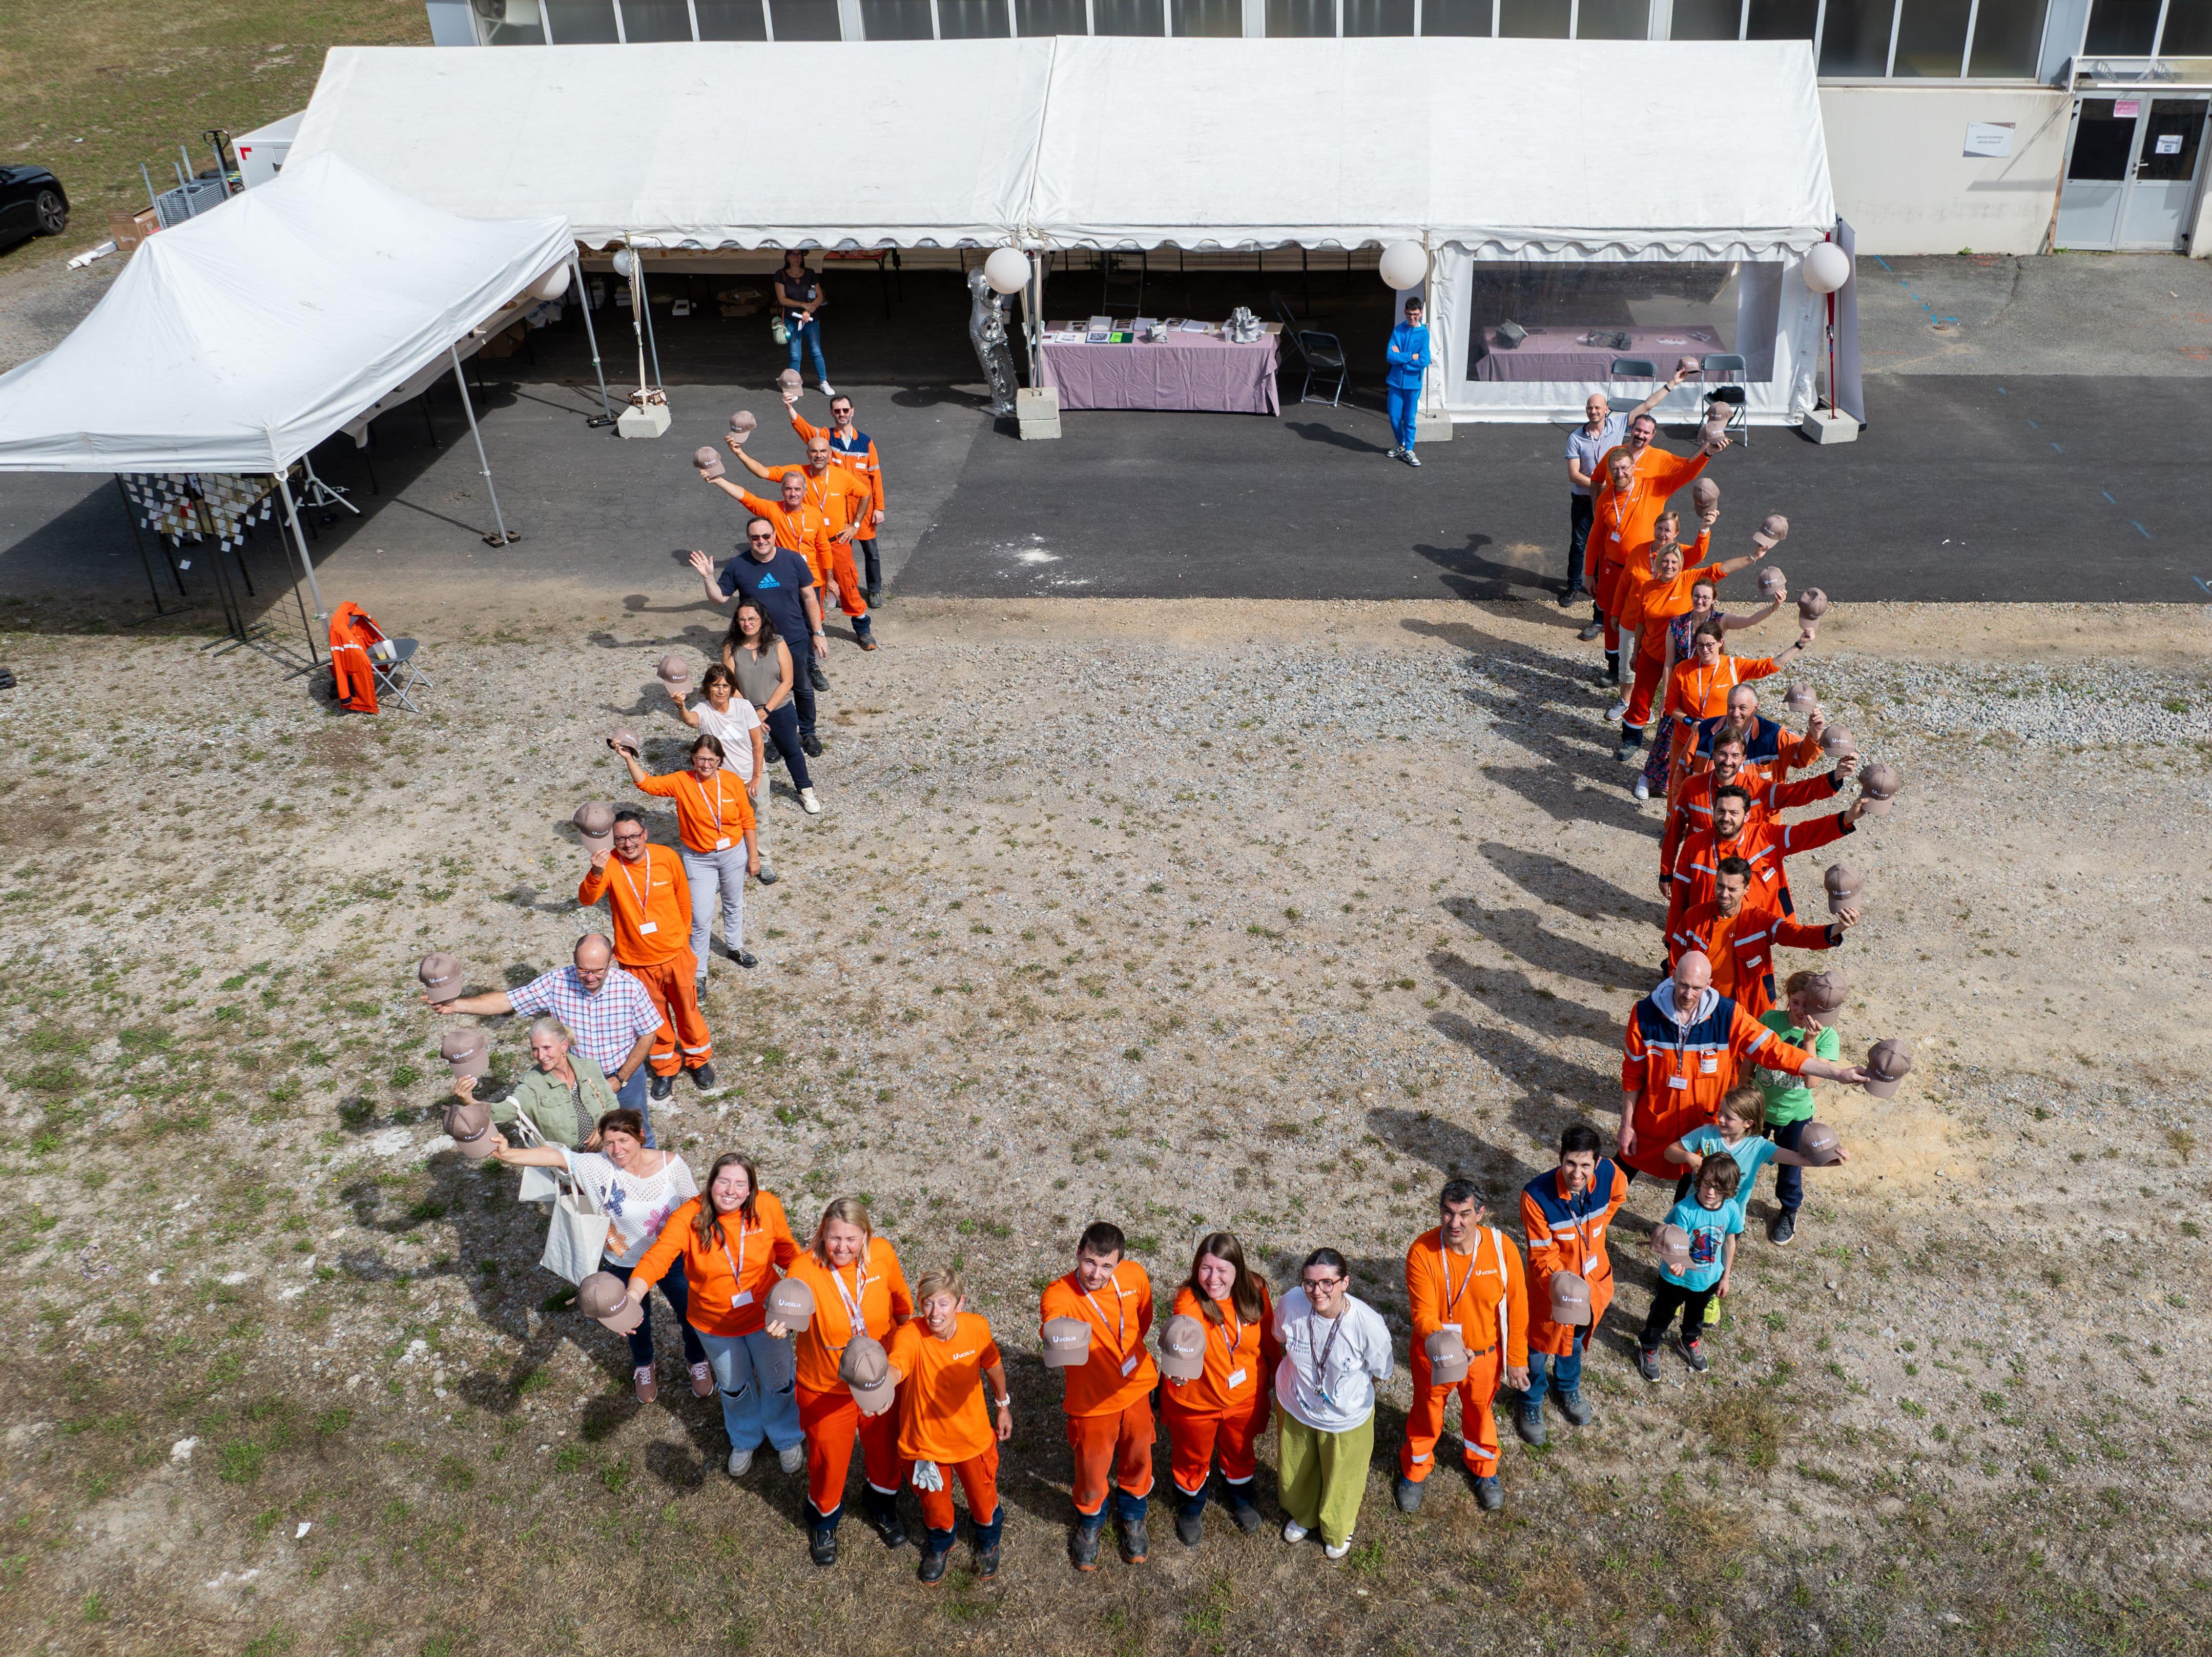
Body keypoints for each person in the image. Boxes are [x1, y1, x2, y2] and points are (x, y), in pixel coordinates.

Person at [492, 1108, 701, 1402]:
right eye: (609, 1143)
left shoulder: (672, 1165)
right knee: (634, 1320)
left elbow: (695, 1208)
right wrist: (507, 1154)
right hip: (621, 1261)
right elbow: (556, 1157)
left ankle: (697, 1359)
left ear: (641, 1137)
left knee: (690, 1311)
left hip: (670, 1258)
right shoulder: (598, 1166)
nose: (617, 1150)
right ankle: (644, 1364)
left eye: (623, 1141)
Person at [1618, 951, 1866, 1183]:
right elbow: (1633, 1074)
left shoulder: (1729, 1015)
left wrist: (1839, 1074)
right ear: (1673, 976)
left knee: (1696, 1184)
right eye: (1683, 985)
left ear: (1710, 984)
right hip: (1656, 1119)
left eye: (1697, 988)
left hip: (1706, 1122)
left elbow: (1776, 1051)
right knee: (1623, 1168)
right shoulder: (1644, 1014)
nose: (1688, 995)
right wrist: (1627, 1125)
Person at [628, 1153, 804, 1475]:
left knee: (779, 1382)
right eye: (724, 1181)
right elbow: (658, 1257)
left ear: (751, 1190)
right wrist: (633, 1295)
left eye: (741, 1184)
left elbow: (789, 1253)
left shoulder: (767, 1207)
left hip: (767, 1318)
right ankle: (746, 1437)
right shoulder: (689, 1217)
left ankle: (786, 1435)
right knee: (734, 1386)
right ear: (710, 1184)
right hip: (714, 1325)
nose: (731, 1190)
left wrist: (795, 1297)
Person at [770, 1197, 914, 1565]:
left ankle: (880, 1502)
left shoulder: (882, 1254)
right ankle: (823, 1519)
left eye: (852, 1239)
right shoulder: (804, 1267)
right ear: (822, 1234)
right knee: (828, 1462)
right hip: (826, 1387)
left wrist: (902, 1352)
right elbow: (789, 1304)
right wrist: (783, 1320)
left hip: (877, 1380)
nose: (843, 1247)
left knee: (884, 1451)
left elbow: (901, 1303)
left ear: (866, 1236)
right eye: (835, 1238)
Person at [424, 935, 664, 1140]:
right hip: (575, 1081)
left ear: (612, 961)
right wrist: (457, 1005)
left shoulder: (631, 988)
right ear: (574, 959)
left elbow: (648, 1035)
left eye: (597, 971)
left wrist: (620, 1079)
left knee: (636, 1131)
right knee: (586, 1136)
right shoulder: (555, 983)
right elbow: (508, 1001)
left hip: (623, 1077)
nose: (590, 977)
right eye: (583, 970)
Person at [1395, 1179, 1527, 1515]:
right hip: (1434, 1353)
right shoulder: (1422, 1251)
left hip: (1484, 1356)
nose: (1455, 1223)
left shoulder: (1502, 1249)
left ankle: (1484, 1469)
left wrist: (1516, 1359)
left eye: (1464, 1214)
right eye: (1448, 1213)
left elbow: (1518, 1306)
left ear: (1480, 1213)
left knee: (1480, 1413)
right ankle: (1414, 1470)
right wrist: (1453, 1346)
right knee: (1426, 1412)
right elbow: (1422, 1314)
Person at [1039, 1221, 1158, 1570]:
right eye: (1090, 1261)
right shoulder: (1059, 1294)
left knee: (1139, 1454)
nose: (1096, 1273)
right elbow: (1054, 1331)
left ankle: (1134, 1512)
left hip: (1137, 1386)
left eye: (1107, 1265)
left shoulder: (1134, 1277)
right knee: (1091, 1468)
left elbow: (1144, 1319)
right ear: (1078, 1253)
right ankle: (1091, 1519)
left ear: (1119, 1264)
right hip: (1092, 1402)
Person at [577, 810, 715, 1104]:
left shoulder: (666, 857)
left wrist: (683, 941)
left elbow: (682, 899)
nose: (628, 844)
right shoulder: (610, 864)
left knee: (688, 1011)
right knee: (654, 1021)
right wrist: (597, 872)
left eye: (633, 836)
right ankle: (665, 1066)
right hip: (637, 961)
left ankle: (699, 1060)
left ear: (645, 835)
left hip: (676, 955)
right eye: (620, 839)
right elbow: (587, 899)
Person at [884, 1267, 1011, 1583]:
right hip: (925, 1444)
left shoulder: (977, 1328)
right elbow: (897, 1365)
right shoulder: (910, 1334)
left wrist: (1003, 1405)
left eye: (943, 1303)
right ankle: (941, 1545)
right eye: (927, 1303)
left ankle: (988, 1540)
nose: (935, 1313)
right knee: (935, 1506)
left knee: (983, 1499)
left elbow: (993, 1365)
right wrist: (880, 1383)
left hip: (973, 1439)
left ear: (960, 1303)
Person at [1273, 1247, 1393, 1561]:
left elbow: (1381, 1372)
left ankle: (1337, 1528)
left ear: (1345, 1283)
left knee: (1342, 1477)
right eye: (1310, 1283)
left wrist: (1346, 1394)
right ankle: (1304, 1514)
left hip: (1345, 1418)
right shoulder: (1290, 1304)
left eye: (1327, 1283)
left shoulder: (1368, 1325)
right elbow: (1279, 1338)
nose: (1317, 1291)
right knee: (1297, 1469)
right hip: (1296, 1405)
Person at [1613, 527, 1772, 764]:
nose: (1669, 566)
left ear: (1681, 565)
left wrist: (1753, 558)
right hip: (1650, 652)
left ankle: (1674, 750)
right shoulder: (1648, 587)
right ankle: (1631, 739)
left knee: (1677, 709)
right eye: (1665, 561)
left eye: (1674, 561)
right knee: (1640, 699)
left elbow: (1721, 569)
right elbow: (1640, 621)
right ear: (1658, 563)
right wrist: (1635, 652)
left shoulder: (1689, 581)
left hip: (1679, 659)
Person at [1162, 1232, 1278, 1546]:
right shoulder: (1189, 1299)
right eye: (1205, 1268)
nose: (1213, 1279)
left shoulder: (1256, 1291)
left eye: (1221, 1270)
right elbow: (1182, 1329)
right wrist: (1178, 1361)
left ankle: (1240, 1496)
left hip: (1244, 1397)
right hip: (1196, 1402)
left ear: (1237, 1270)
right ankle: (1190, 1505)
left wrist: (1276, 1374)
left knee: (1240, 1450)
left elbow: (1268, 1340)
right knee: (1192, 1456)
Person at [689, 527, 829, 788]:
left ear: (774, 536)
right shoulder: (738, 565)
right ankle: (771, 738)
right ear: (749, 539)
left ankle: (807, 734)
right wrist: (709, 577)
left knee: (802, 689)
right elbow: (719, 598)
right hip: (756, 642)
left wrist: (818, 633)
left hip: (794, 638)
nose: (761, 541)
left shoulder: (793, 559)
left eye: (766, 536)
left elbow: (810, 596)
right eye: (755, 537)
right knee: (755, 693)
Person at [1516, 1121, 1627, 1447]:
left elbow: (1619, 1194)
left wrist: (1599, 1227)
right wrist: (1566, 1291)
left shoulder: (1609, 1174)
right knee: (1537, 1349)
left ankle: (1567, 1387)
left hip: (1593, 1285)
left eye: (1585, 1166)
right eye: (1570, 1164)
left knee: (1575, 1342)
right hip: (1552, 1293)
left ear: (1597, 1162)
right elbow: (1540, 1258)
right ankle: (1531, 1401)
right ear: (1560, 1156)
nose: (1577, 1174)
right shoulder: (1536, 1196)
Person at [615, 732, 761, 979]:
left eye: (712, 760)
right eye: (700, 759)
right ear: (693, 758)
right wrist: (629, 758)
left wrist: (754, 857)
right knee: (701, 917)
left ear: (720, 761)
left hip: (733, 853)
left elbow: (747, 819)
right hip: (699, 859)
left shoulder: (733, 782)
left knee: (734, 903)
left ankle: (735, 947)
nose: (706, 765)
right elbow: (648, 785)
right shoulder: (681, 781)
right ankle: (699, 972)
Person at [727, 416, 874, 649]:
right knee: (813, 593)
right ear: (808, 454)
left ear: (830, 454)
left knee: (847, 587)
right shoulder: (797, 474)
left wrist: (855, 525)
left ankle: (862, 628)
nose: (819, 455)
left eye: (823, 451)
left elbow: (865, 493)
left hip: (836, 543)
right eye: (814, 451)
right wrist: (739, 453)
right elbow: (763, 472)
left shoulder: (842, 476)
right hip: (806, 546)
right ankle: (816, 635)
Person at [701, 465, 868, 659]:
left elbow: (823, 549)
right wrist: (719, 480)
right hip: (785, 579)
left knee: (812, 622)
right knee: (783, 622)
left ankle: (811, 665)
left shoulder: (814, 515)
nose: (793, 493)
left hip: (811, 578)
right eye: (788, 489)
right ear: (782, 491)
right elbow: (745, 496)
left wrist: (830, 579)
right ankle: (773, 661)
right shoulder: (772, 510)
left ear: (805, 491)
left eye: (797, 489)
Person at [1666, 784, 1869, 937]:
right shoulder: (1694, 845)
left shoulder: (1767, 837)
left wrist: (1848, 817)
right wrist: (1672, 940)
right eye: (1721, 811)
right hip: (1707, 932)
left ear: (1747, 816)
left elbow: (1805, 834)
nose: (1725, 818)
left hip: (1754, 935)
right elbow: (1680, 898)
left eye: (1734, 813)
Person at [1666, 856, 1856, 1019]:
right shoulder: (1693, 918)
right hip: (1701, 1007)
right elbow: (1676, 960)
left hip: (1747, 1011)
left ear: (1746, 889)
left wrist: (1838, 928)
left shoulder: (1759, 920)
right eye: (1720, 886)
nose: (1724, 894)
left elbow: (1797, 935)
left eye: (1732, 889)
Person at [1564, 376, 1689, 618]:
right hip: (1594, 506)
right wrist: (1598, 504)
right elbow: (1584, 477)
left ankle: (1630, 619)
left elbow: (1647, 405)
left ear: (1606, 410)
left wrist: (1672, 383)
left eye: (1598, 407)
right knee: (1586, 549)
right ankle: (1578, 592)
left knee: (1627, 568)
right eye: (1590, 407)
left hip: (1628, 519)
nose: (1593, 411)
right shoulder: (1585, 441)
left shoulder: (1619, 426)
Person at [1752, 970, 1847, 1245]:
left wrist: (1809, 1040)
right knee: (1742, 1157)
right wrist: (1742, 1084)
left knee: (1791, 1169)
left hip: (1795, 1115)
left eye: (1808, 1006)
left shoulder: (1827, 1037)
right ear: (1787, 998)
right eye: (1796, 1003)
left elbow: (1812, 1082)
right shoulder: (1770, 1021)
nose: (1801, 1011)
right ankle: (1730, 1198)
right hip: (1758, 1106)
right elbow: (1751, 1056)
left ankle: (1789, 1210)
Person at [1637, 1156, 1743, 1379]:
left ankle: (1689, 1341)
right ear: (1699, 1179)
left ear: (1730, 1190)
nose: (1711, 1192)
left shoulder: (1732, 1209)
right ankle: (1649, 1347)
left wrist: (1726, 1277)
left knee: (1696, 1316)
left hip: (1707, 1279)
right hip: (1675, 1280)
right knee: (1661, 1315)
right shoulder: (1685, 1210)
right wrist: (1673, 1261)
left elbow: (1729, 1242)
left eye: (1718, 1188)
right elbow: (1670, 1240)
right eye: (1707, 1184)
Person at [716, 595, 819, 818]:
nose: (747, 623)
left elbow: (788, 681)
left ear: (762, 620)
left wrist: (766, 711)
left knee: (791, 750)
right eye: (742, 619)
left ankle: (805, 790)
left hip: (778, 709)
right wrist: (750, 713)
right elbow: (730, 683)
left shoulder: (777, 643)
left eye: (752, 619)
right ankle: (739, 796)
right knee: (742, 753)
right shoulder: (731, 647)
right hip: (744, 711)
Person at [672, 664, 775, 885]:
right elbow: (691, 720)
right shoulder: (703, 709)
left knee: (759, 818)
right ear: (708, 688)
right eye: (716, 686)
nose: (721, 691)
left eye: (726, 686)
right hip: (721, 782)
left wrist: (757, 777)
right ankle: (729, 863)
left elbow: (758, 744)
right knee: (724, 821)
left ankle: (763, 860)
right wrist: (681, 707)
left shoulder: (744, 707)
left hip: (751, 775)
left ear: (732, 688)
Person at [452, 1015, 617, 1150]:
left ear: (564, 1046)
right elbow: (504, 1111)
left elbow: (612, 1107)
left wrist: (604, 1130)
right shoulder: (532, 1084)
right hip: (567, 1165)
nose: (540, 1056)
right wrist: (470, 1101)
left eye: (547, 1048)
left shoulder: (590, 1068)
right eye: (535, 1049)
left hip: (607, 1150)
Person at [792, 393, 888, 603]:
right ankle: (840, 591)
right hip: (836, 508)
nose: (842, 414)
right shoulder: (827, 437)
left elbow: (876, 475)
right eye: (838, 411)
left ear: (853, 411)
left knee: (871, 551)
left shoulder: (865, 442)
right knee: (838, 554)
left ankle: (874, 590)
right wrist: (790, 408)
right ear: (832, 413)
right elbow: (806, 430)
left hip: (863, 509)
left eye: (846, 410)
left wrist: (879, 508)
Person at [775, 250, 832, 395]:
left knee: (816, 351)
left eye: (799, 254)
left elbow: (820, 297)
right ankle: (794, 386)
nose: (796, 257)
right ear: (787, 257)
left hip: (811, 319)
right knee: (795, 354)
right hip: (792, 319)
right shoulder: (781, 275)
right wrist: (803, 305)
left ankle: (823, 381)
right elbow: (782, 300)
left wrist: (808, 311)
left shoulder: (810, 273)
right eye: (793, 254)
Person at [1384, 296, 1432, 467]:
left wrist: (1401, 360)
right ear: (1405, 313)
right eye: (1409, 314)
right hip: (1396, 382)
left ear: (1421, 313)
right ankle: (1402, 443)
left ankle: (1409, 450)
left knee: (1409, 418)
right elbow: (1390, 356)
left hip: (1413, 384)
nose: (1412, 318)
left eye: (1416, 314)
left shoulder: (1424, 334)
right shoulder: (1398, 331)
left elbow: (1425, 360)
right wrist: (1411, 356)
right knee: (1394, 416)